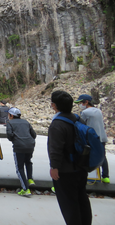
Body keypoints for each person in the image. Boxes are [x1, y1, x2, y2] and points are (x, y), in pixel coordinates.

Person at [48, 90, 92, 225]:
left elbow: (55, 149)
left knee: (69, 203)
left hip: (65, 171)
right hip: (81, 167)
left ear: (54, 105)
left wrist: (54, 167)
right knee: (81, 198)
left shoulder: (57, 124)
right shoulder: (78, 119)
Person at [74, 94, 110, 183]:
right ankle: (105, 176)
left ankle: (87, 176)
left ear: (86, 102)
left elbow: (81, 125)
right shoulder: (98, 111)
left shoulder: (85, 113)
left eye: (81, 102)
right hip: (102, 137)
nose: (80, 104)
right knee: (102, 156)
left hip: (92, 139)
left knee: (87, 156)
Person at [6, 107, 36, 197]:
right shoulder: (26, 122)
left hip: (19, 146)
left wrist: (15, 140)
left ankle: (26, 189)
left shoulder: (10, 123)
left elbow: (9, 135)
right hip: (30, 145)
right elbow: (33, 134)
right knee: (28, 161)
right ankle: (30, 179)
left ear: (11, 115)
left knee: (19, 168)